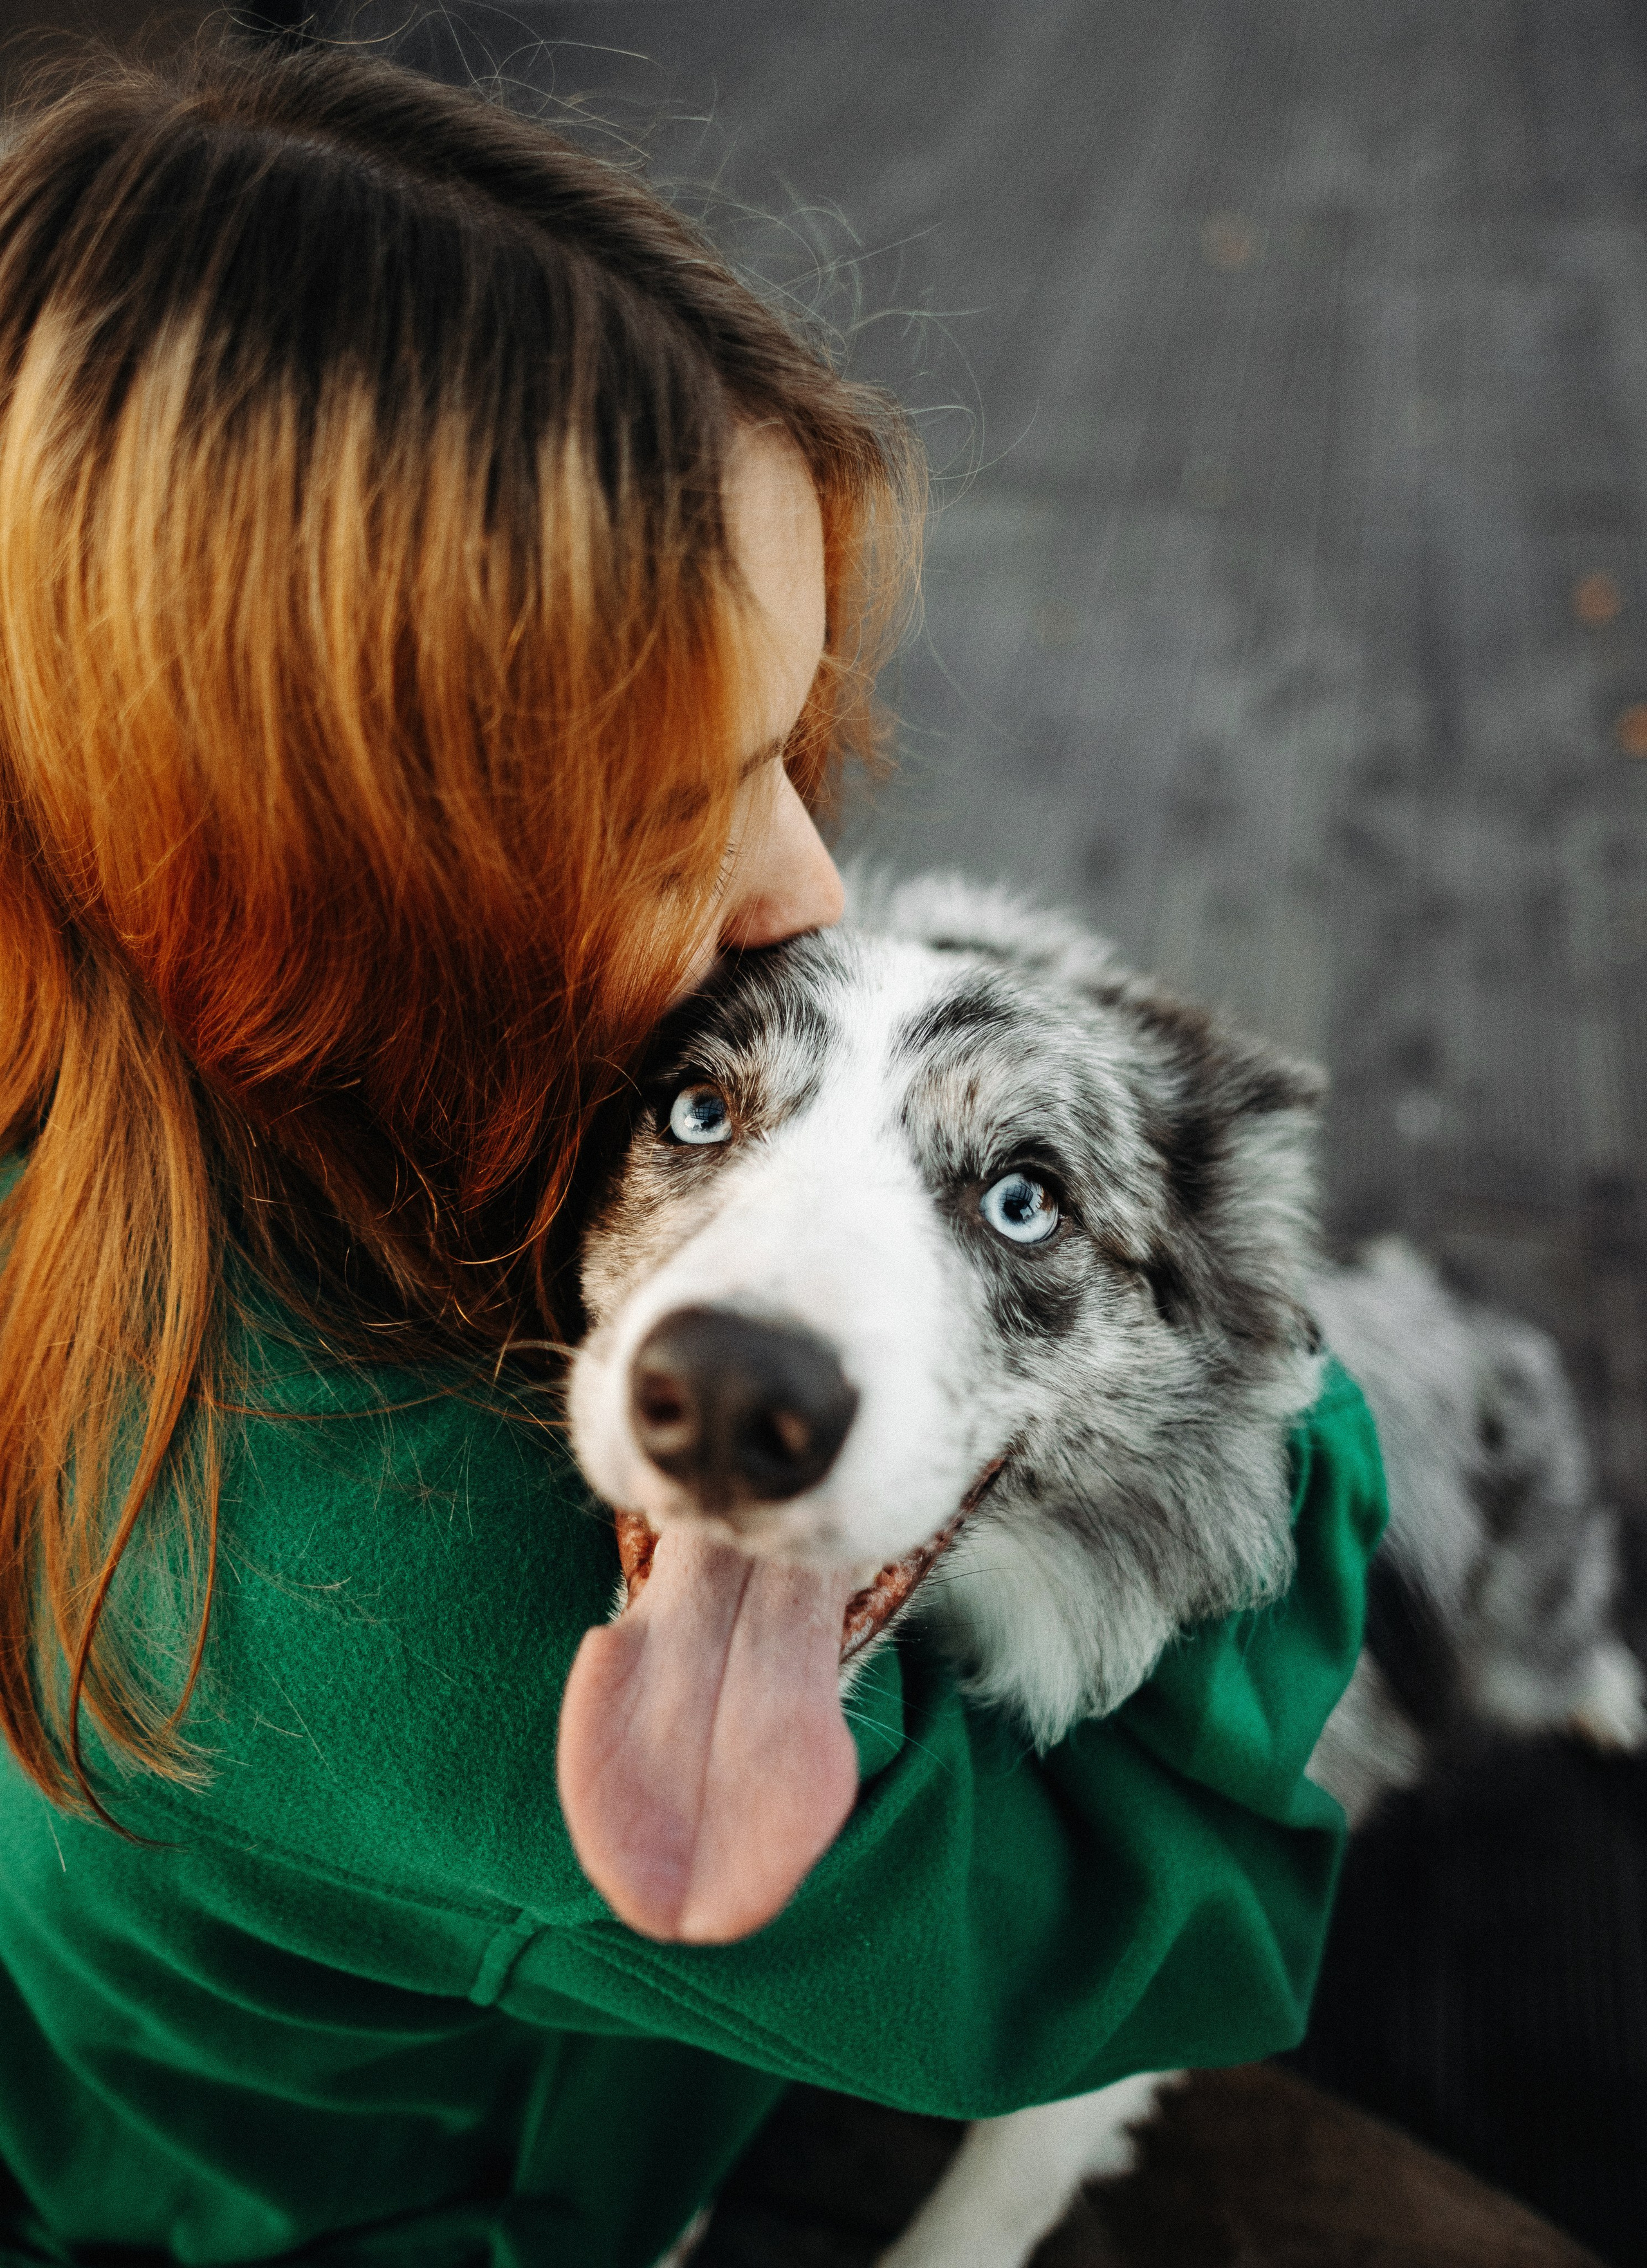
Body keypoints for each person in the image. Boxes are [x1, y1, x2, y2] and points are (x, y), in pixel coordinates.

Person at [0, 38, 1386, 2268]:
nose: (818, 890)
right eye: (684, 813)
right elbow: (1152, 1942)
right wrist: (1295, 1383)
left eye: (796, 749)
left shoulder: (102, 1030)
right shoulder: (392, 1587)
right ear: (330, 874)